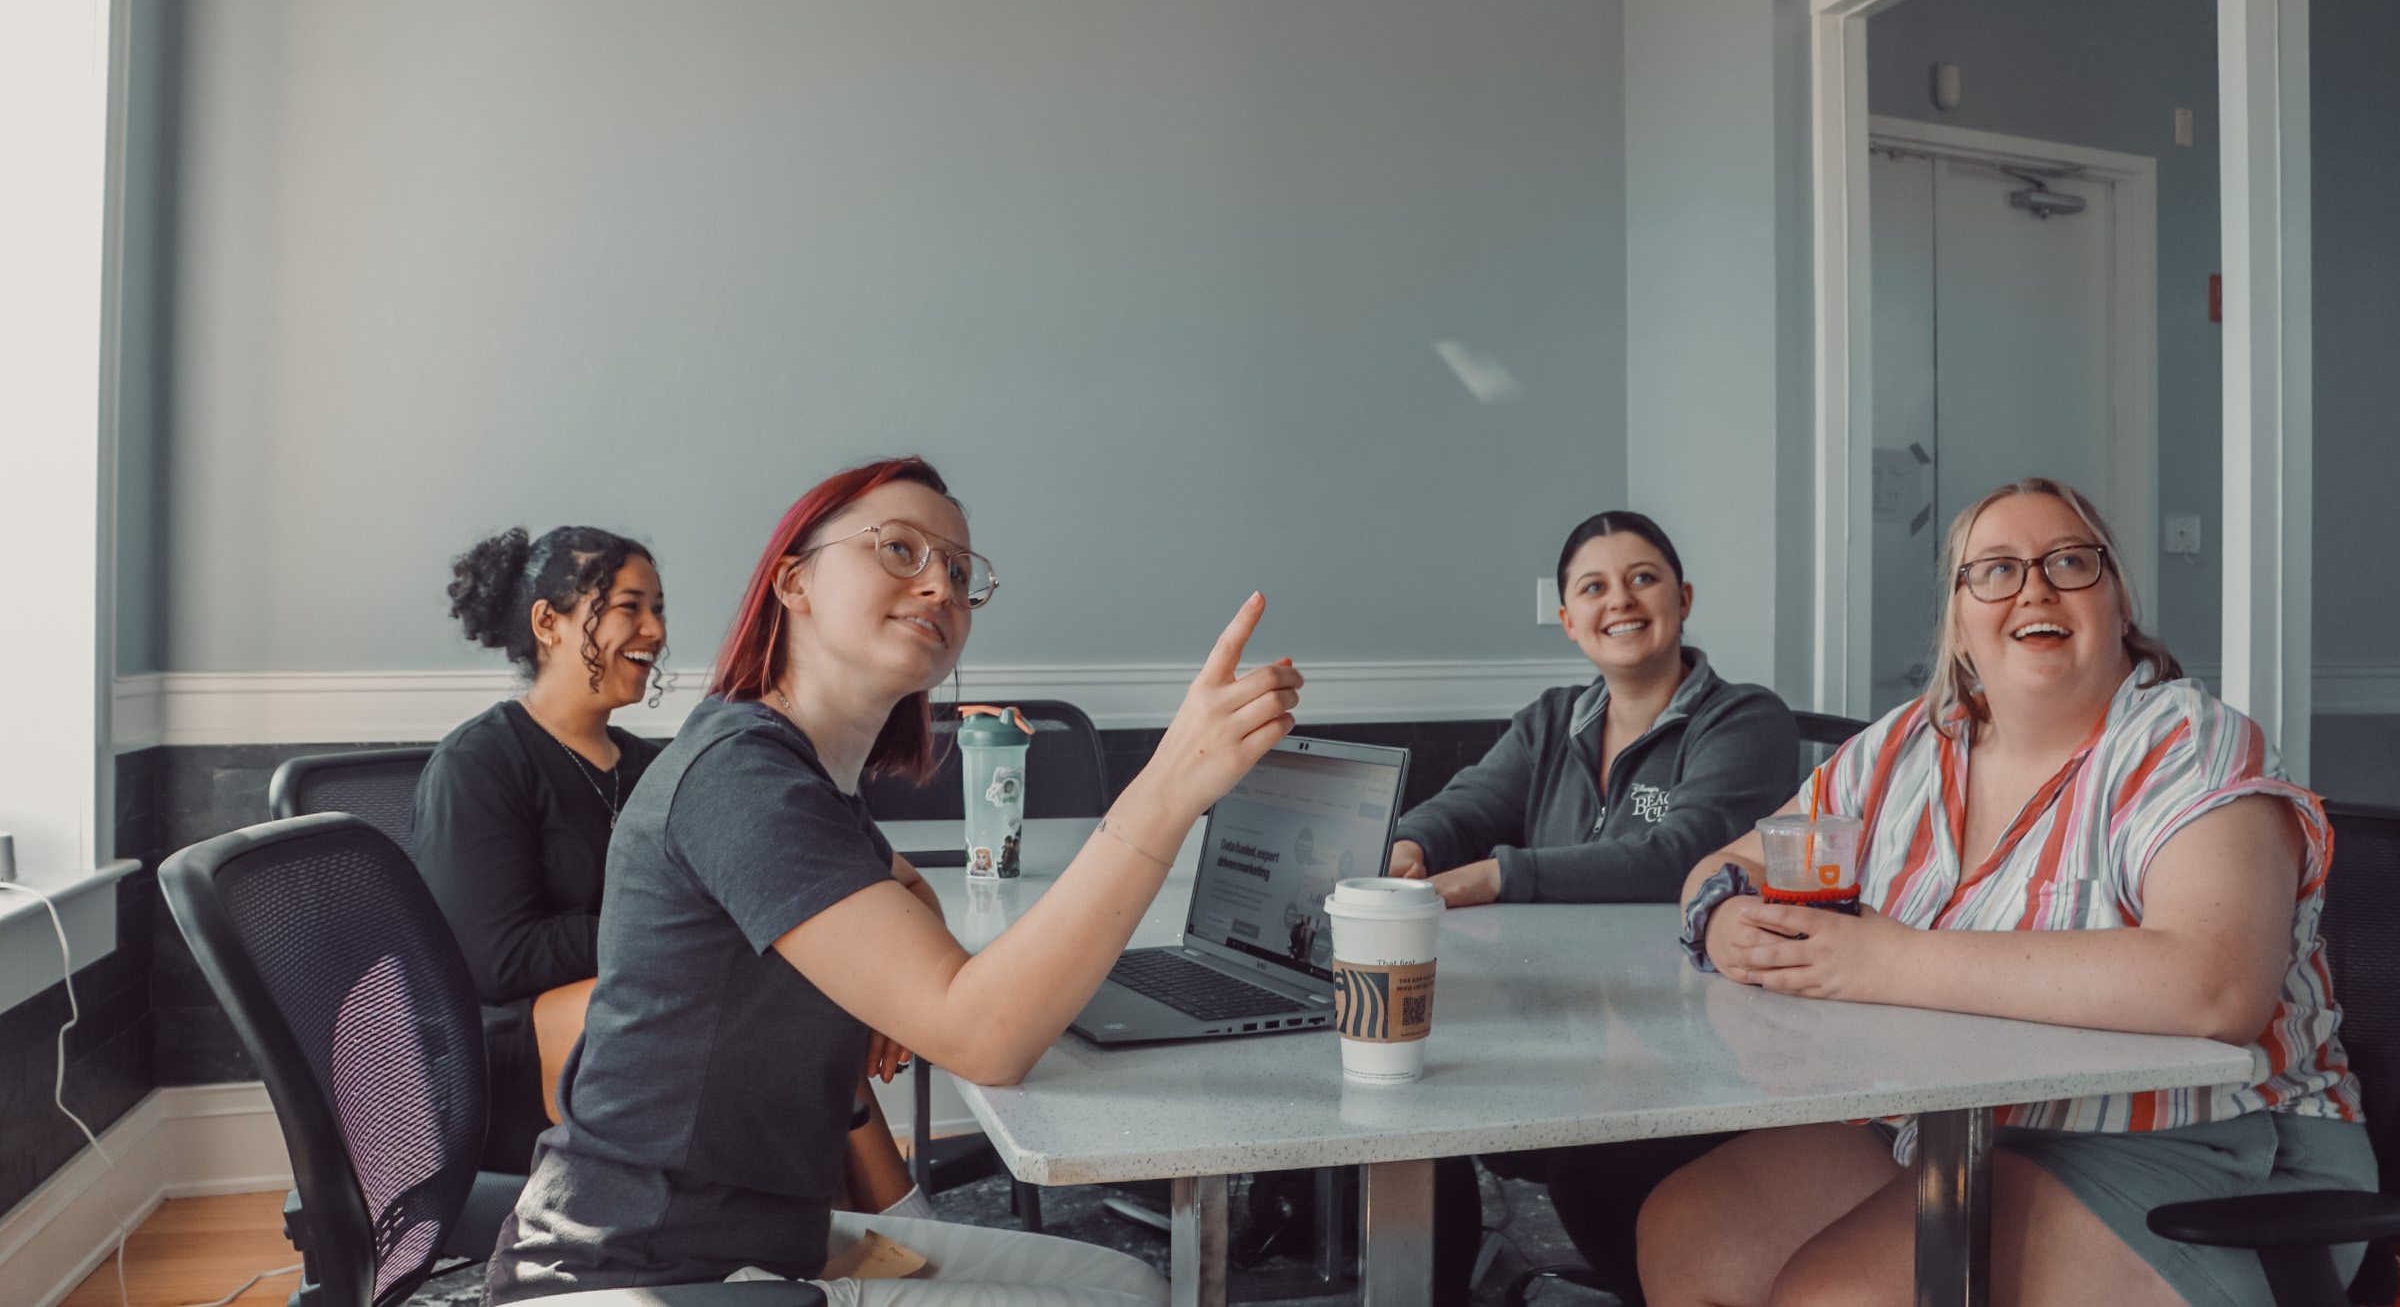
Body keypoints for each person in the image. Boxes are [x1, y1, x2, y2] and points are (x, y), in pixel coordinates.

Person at [485, 456, 1304, 1305]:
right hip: (638, 1267)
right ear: (793, 583)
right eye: (899, 550)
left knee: (1126, 1282)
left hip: (753, 1237)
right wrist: (1168, 788)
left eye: (957, 571)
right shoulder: (742, 777)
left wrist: (900, 953)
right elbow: (985, 1038)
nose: (939, 586)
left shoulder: (802, 776)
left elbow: (901, 893)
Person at [1641, 477, 2370, 1307]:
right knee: (1688, 1232)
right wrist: (1727, 912)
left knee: (1836, 1296)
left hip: (2207, 1142)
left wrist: (1889, 963)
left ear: (2117, 600)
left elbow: (2216, 987)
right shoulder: (1907, 746)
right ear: (1958, 622)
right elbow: (1730, 862)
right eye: (1994, 569)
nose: (2034, 587)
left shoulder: (2190, 742)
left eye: (2070, 562)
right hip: (1956, 1122)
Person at [1394, 510, 1798, 1305]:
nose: (1622, 600)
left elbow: (1681, 856)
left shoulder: (1745, 719)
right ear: (1569, 621)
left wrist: (1498, 877)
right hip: (1555, 1023)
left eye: (1643, 578)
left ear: (1682, 598)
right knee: (1411, 1112)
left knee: (1592, 1170)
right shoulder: (1551, 721)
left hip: (1692, 1043)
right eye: (1594, 587)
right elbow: (1467, 807)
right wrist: (1411, 846)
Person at [416, 525, 668, 1173]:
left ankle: (873, 1222)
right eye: (628, 607)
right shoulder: (478, 763)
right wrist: (670, 933)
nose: (655, 631)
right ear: (549, 624)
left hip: (628, 1014)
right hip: (506, 1061)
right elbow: (501, 958)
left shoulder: (654, 769)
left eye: (658, 610)